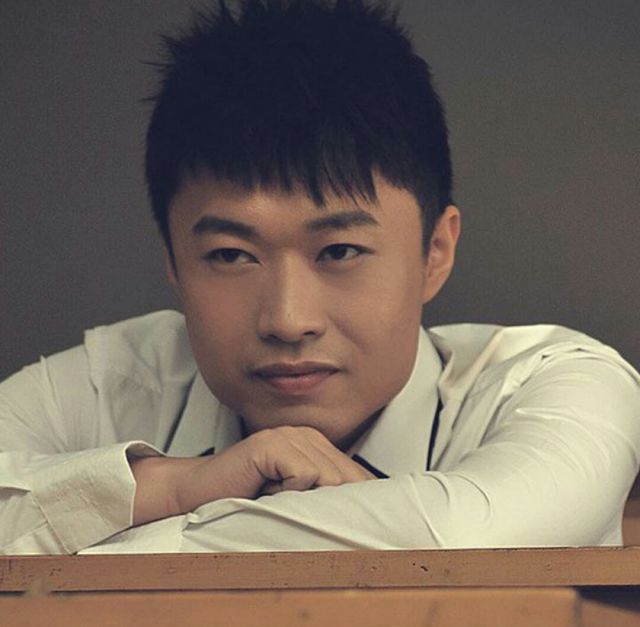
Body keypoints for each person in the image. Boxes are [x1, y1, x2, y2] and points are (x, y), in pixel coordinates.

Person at [1, 0, 639, 555]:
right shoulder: (109, 387)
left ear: (436, 252)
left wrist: (89, 534)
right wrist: (176, 483)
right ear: (172, 261)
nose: (287, 320)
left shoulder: (555, 385)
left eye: (339, 251)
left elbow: (461, 537)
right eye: (231, 255)